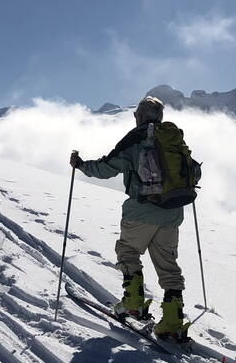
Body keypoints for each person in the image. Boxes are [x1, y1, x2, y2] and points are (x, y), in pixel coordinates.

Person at [69, 95, 200, 341]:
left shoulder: (135, 138)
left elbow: (106, 168)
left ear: (137, 116)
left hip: (141, 210)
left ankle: (133, 303)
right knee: (168, 266)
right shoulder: (173, 139)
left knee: (128, 251)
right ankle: (172, 322)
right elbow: (195, 171)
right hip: (172, 212)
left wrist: (81, 165)